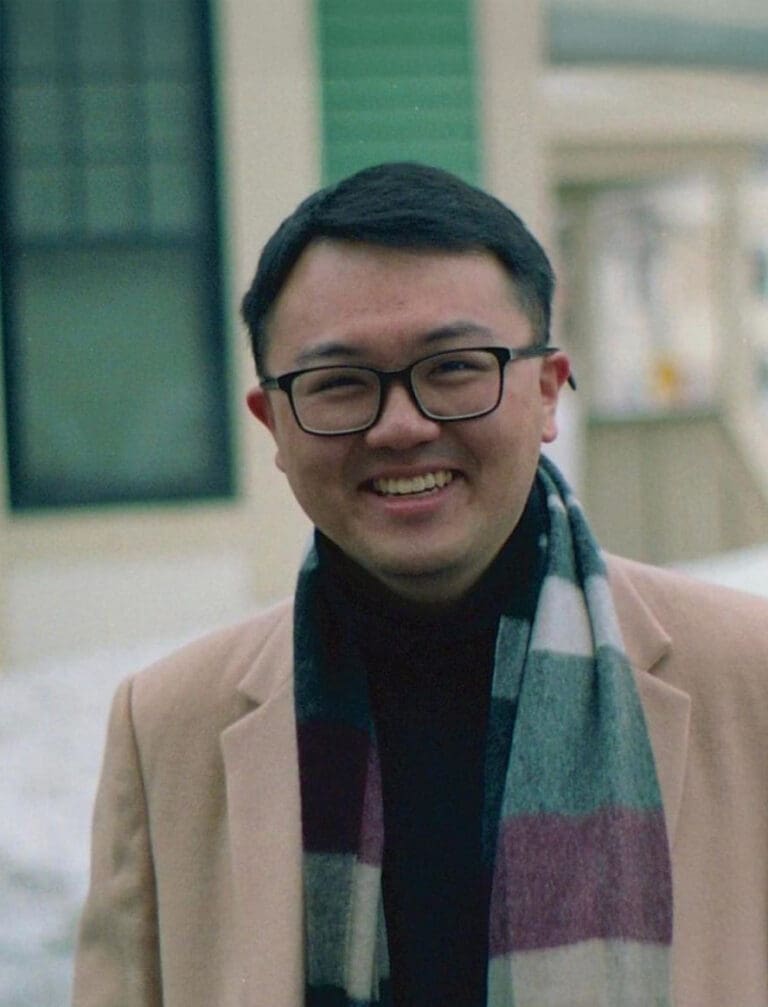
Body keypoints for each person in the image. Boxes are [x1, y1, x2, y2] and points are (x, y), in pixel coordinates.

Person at [73, 163, 768, 1007]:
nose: (402, 426)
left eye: (454, 368)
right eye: (339, 383)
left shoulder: (748, 678)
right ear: (274, 424)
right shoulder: (170, 727)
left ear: (547, 390)